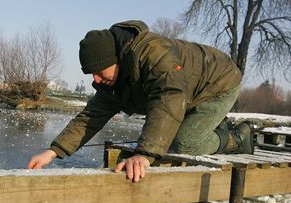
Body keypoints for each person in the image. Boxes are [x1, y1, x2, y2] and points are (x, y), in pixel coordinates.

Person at [27, 20, 254, 182]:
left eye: (99, 71)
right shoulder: (112, 80)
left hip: (219, 82)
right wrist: (53, 151)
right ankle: (213, 127)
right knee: (170, 139)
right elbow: (91, 116)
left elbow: (169, 97)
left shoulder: (155, 55)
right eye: (91, 74)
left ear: (116, 59)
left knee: (186, 143)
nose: (95, 79)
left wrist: (144, 154)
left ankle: (237, 137)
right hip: (189, 90)